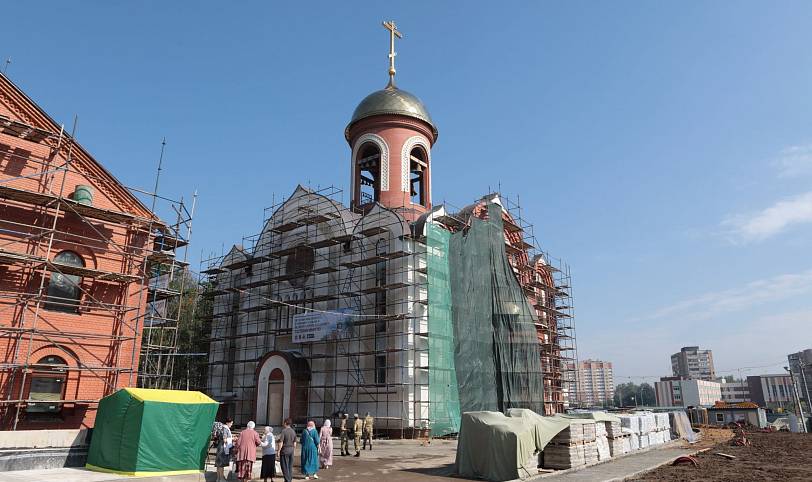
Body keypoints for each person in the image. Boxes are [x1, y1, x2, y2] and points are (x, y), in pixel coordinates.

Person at [214, 418, 234, 482]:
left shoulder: (221, 428)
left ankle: (218, 478)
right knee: (221, 464)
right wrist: (232, 439)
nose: (231, 425)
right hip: (223, 448)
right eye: (231, 423)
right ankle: (221, 478)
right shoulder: (225, 428)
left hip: (219, 447)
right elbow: (225, 439)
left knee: (218, 464)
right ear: (228, 422)